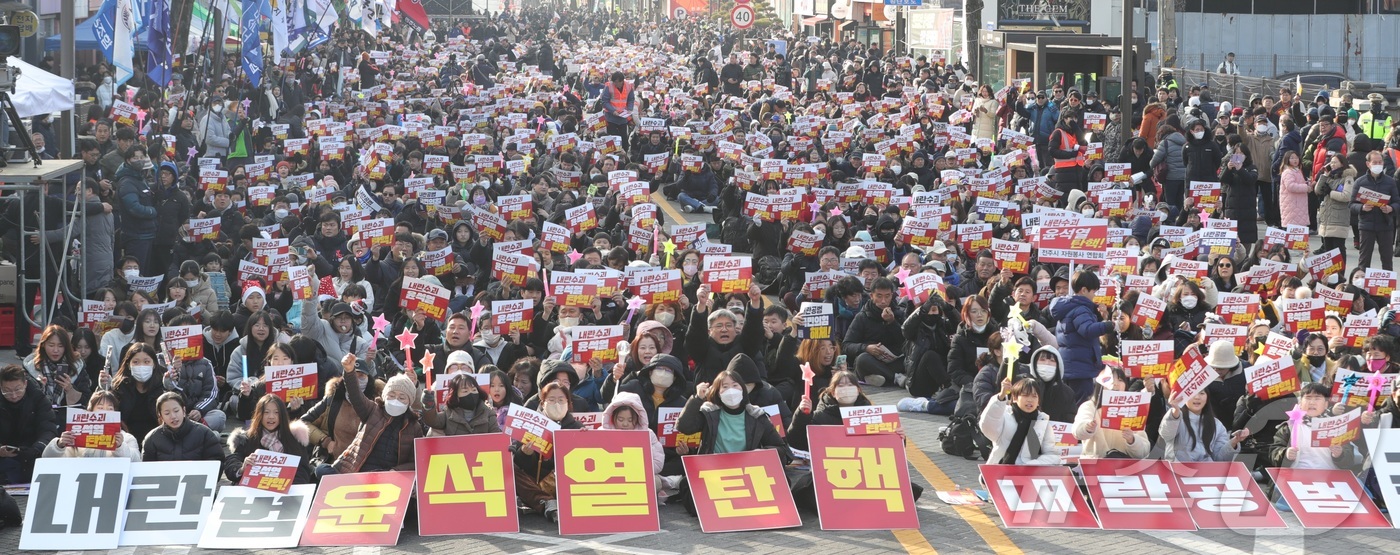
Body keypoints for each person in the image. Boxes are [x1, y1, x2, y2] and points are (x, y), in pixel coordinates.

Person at [319, 354, 423, 476]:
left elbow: (416, 460)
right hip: (357, 470)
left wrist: (396, 471)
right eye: (392, 395)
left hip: (388, 477)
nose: (396, 400)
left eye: (402, 397)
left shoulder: (414, 427)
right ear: (384, 396)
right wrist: (349, 372)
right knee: (322, 470)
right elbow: (355, 395)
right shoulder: (373, 410)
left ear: (409, 401)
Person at [675, 368, 790, 459]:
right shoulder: (709, 412)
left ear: (742, 390)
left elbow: (780, 448)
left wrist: (760, 454)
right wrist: (697, 398)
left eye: (735, 385)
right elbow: (684, 426)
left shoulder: (756, 415)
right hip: (713, 468)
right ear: (718, 393)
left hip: (747, 469)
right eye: (725, 387)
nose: (731, 390)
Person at [513, 381, 583, 523]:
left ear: (568, 402)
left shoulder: (576, 427)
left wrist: (584, 440)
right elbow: (521, 464)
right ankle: (547, 502)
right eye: (551, 400)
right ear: (542, 402)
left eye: (561, 400)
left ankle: (542, 502)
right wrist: (525, 453)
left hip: (563, 481)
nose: (556, 403)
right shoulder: (532, 425)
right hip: (536, 480)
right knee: (510, 470)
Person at [1052, 270, 1114, 401]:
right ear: (1084, 290)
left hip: (1071, 367)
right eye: (1093, 292)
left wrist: (1099, 316)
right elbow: (1087, 330)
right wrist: (1110, 325)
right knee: (1082, 408)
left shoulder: (1070, 306)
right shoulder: (1081, 308)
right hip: (1080, 369)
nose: (1094, 296)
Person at [224, 395, 314, 484]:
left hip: (284, 491)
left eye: (276, 412)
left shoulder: (293, 438)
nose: (271, 416)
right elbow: (232, 461)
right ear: (259, 414)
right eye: (266, 412)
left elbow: (302, 471)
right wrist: (242, 468)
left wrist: (286, 486)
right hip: (252, 490)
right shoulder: (247, 438)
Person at [1271, 383, 1359, 470]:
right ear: (1300, 403)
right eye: (1308, 398)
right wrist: (1285, 454)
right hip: (1295, 477)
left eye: (1317, 398)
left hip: (1330, 477)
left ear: (1326, 404)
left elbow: (1349, 460)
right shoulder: (1289, 427)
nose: (1312, 402)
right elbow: (1274, 454)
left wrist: (1340, 455)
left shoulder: (1338, 426)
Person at [1072, 366, 1150, 459]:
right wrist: (1087, 428)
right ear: (1100, 384)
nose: (1115, 384)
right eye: (1110, 379)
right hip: (1094, 466)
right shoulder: (1090, 406)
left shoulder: (1133, 409)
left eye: (1120, 380)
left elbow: (1144, 451)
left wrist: (1132, 440)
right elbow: (1077, 432)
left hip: (1123, 467)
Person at [980, 377, 1060, 466]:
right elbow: (988, 426)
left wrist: (1031, 465)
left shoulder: (1042, 422)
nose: (1030, 400)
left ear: (1038, 401)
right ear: (1014, 398)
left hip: (1028, 475)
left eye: (1034, 396)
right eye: (1025, 395)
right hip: (999, 471)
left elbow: (1052, 454)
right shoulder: (1005, 415)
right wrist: (1001, 396)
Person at [42, 391, 142, 462]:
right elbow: (47, 459)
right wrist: (59, 444)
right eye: (100, 407)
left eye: (110, 408)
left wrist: (120, 447)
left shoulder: (127, 438)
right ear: (90, 412)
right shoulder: (76, 435)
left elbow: (136, 461)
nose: (105, 411)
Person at [842, 277, 906, 387]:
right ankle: (895, 378)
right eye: (879, 296)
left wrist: (892, 322)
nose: (883, 301)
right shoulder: (862, 317)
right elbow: (846, 345)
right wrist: (866, 348)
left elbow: (905, 340)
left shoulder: (899, 313)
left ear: (892, 295)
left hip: (894, 360)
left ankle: (880, 378)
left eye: (887, 296)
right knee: (862, 360)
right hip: (872, 361)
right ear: (872, 296)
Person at [787, 370, 872, 451]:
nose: (846, 389)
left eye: (850, 385)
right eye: (841, 386)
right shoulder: (819, 417)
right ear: (833, 393)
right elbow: (796, 442)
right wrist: (801, 415)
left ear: (858, 390)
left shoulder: (872, 415)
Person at [0, 364, 57, 483]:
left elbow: (48, 428)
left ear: (25, 384)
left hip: (32, 451)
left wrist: (36, 449)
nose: (14, 395)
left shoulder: (38, 399)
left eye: (18, 389)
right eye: (7, 391)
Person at [1160, 389, 1247, 462]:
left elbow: (1220, 459)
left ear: (1207, 397)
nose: (1197, 397)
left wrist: (1234, 441)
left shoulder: (1216, 424)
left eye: (1202, 393)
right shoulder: (1176, 416)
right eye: (1192, 393)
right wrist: (1175, 410)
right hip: (1177, 471)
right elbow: (1166, 434)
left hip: (1206, 474)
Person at [140, 392, 224, 462]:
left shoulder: (204, 433)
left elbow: (216, 461)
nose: (173, 416)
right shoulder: (152, 438)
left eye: (176, 411)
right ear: (161, 416)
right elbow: (147, 468)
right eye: (167, 413)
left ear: (184, 411)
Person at [111, 343, 169, 442]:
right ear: (129, 365)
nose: (141, 366)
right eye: (136, 362)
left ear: (154, 364)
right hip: (125, 440)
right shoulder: (119, 387)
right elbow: (104, 408)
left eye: (146, 362)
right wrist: (104, 388)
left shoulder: (163, 385)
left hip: (160, 439)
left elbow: (181, 405)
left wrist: (172, 387)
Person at [1351, 151, 1399, 271]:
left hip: (1385, 225)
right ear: (1368, 164)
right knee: (1364, 261)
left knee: (1387, 261)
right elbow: (1351, 205)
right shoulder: (1360, 182)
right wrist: (1362, 207)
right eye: (1375, 162)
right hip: (1366, 225)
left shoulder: (1390, 181)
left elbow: (1397, 202)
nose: (1378, 164)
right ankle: (1362, 288)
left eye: (1380, 162)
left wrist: (1391, 208)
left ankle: (1386, 288)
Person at [421, 372, 502, 436]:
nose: (471, 394)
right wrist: (428, 406)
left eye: (474, 390)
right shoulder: (448, 414)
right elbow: (432, 421)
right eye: (465, 391)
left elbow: (496, 437)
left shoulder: (489, 414)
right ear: (456, 396)